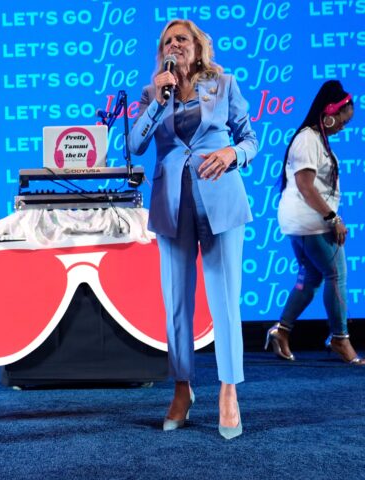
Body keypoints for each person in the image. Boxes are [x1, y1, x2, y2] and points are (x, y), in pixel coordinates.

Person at [128, 19, 258, 439]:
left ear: (199, 47)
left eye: (182, 39)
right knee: (177, 303)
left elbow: (250, 140)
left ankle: (228, 390)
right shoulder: (154, 93)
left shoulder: (223, 83)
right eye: (167, 40)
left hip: (220, 199)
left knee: (224, 300)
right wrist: (157, 100)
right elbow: (135, 146)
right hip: (171, 204)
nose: (175, 45)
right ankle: (182, 388)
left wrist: (231, 154)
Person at [265, 80, 362, 365]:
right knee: (337, 276)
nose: (344, 126)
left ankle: (281, 330)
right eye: (343, 120)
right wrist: (333, 218)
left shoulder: (315, 139)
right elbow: (306, 185)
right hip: (312, 221)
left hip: (300, 221)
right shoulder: (308, 139)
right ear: (330, 111)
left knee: (309, 279)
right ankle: (340, 338)